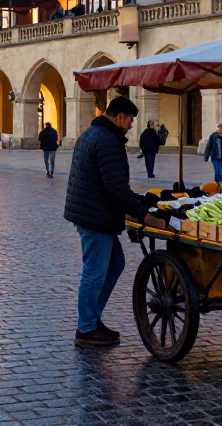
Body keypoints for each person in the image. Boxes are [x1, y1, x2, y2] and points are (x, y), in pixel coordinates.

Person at [63, 96, 165, 347]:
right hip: (95, 216)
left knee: (115, 263)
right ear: (120, 117)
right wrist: (144, 214)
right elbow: (117, 189)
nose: (131, 126)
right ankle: (86, 328)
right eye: (130, 120)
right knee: (94, 272)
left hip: (93, 212)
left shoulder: (92, 132)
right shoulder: (108, 141)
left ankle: (92, 319)